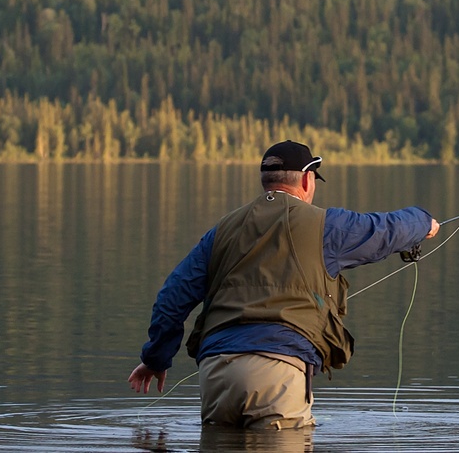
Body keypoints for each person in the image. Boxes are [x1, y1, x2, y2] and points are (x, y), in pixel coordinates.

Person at [128, 140, 439, 429]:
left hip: (216, 372)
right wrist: (425, 222)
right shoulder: (327, 226)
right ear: (306, 181)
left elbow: (172, 297)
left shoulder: (220, 231)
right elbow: (386, 230)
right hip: (279, 371)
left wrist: (155, 359)